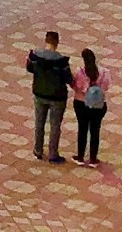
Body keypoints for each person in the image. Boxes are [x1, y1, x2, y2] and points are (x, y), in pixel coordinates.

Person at [28, 29, 75, 162]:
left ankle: (38, 150)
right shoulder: (61, 61)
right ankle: (53, 154)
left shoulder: (34, 56)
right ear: (57, 43)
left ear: (46, 40)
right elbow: (68, 79)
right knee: (55, 125)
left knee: (39, 122)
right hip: (57, 97)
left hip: (39, 93)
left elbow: (29, 68)